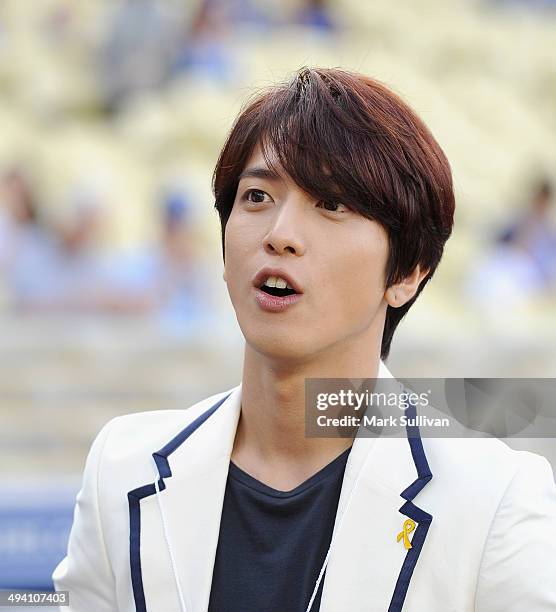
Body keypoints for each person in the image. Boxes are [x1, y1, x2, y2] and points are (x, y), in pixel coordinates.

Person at [52, 68, 556, 611]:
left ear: (407, 272)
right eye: (257, 196)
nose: (280, 235)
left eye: (332, 205)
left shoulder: (494, 500)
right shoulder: (122, 469)